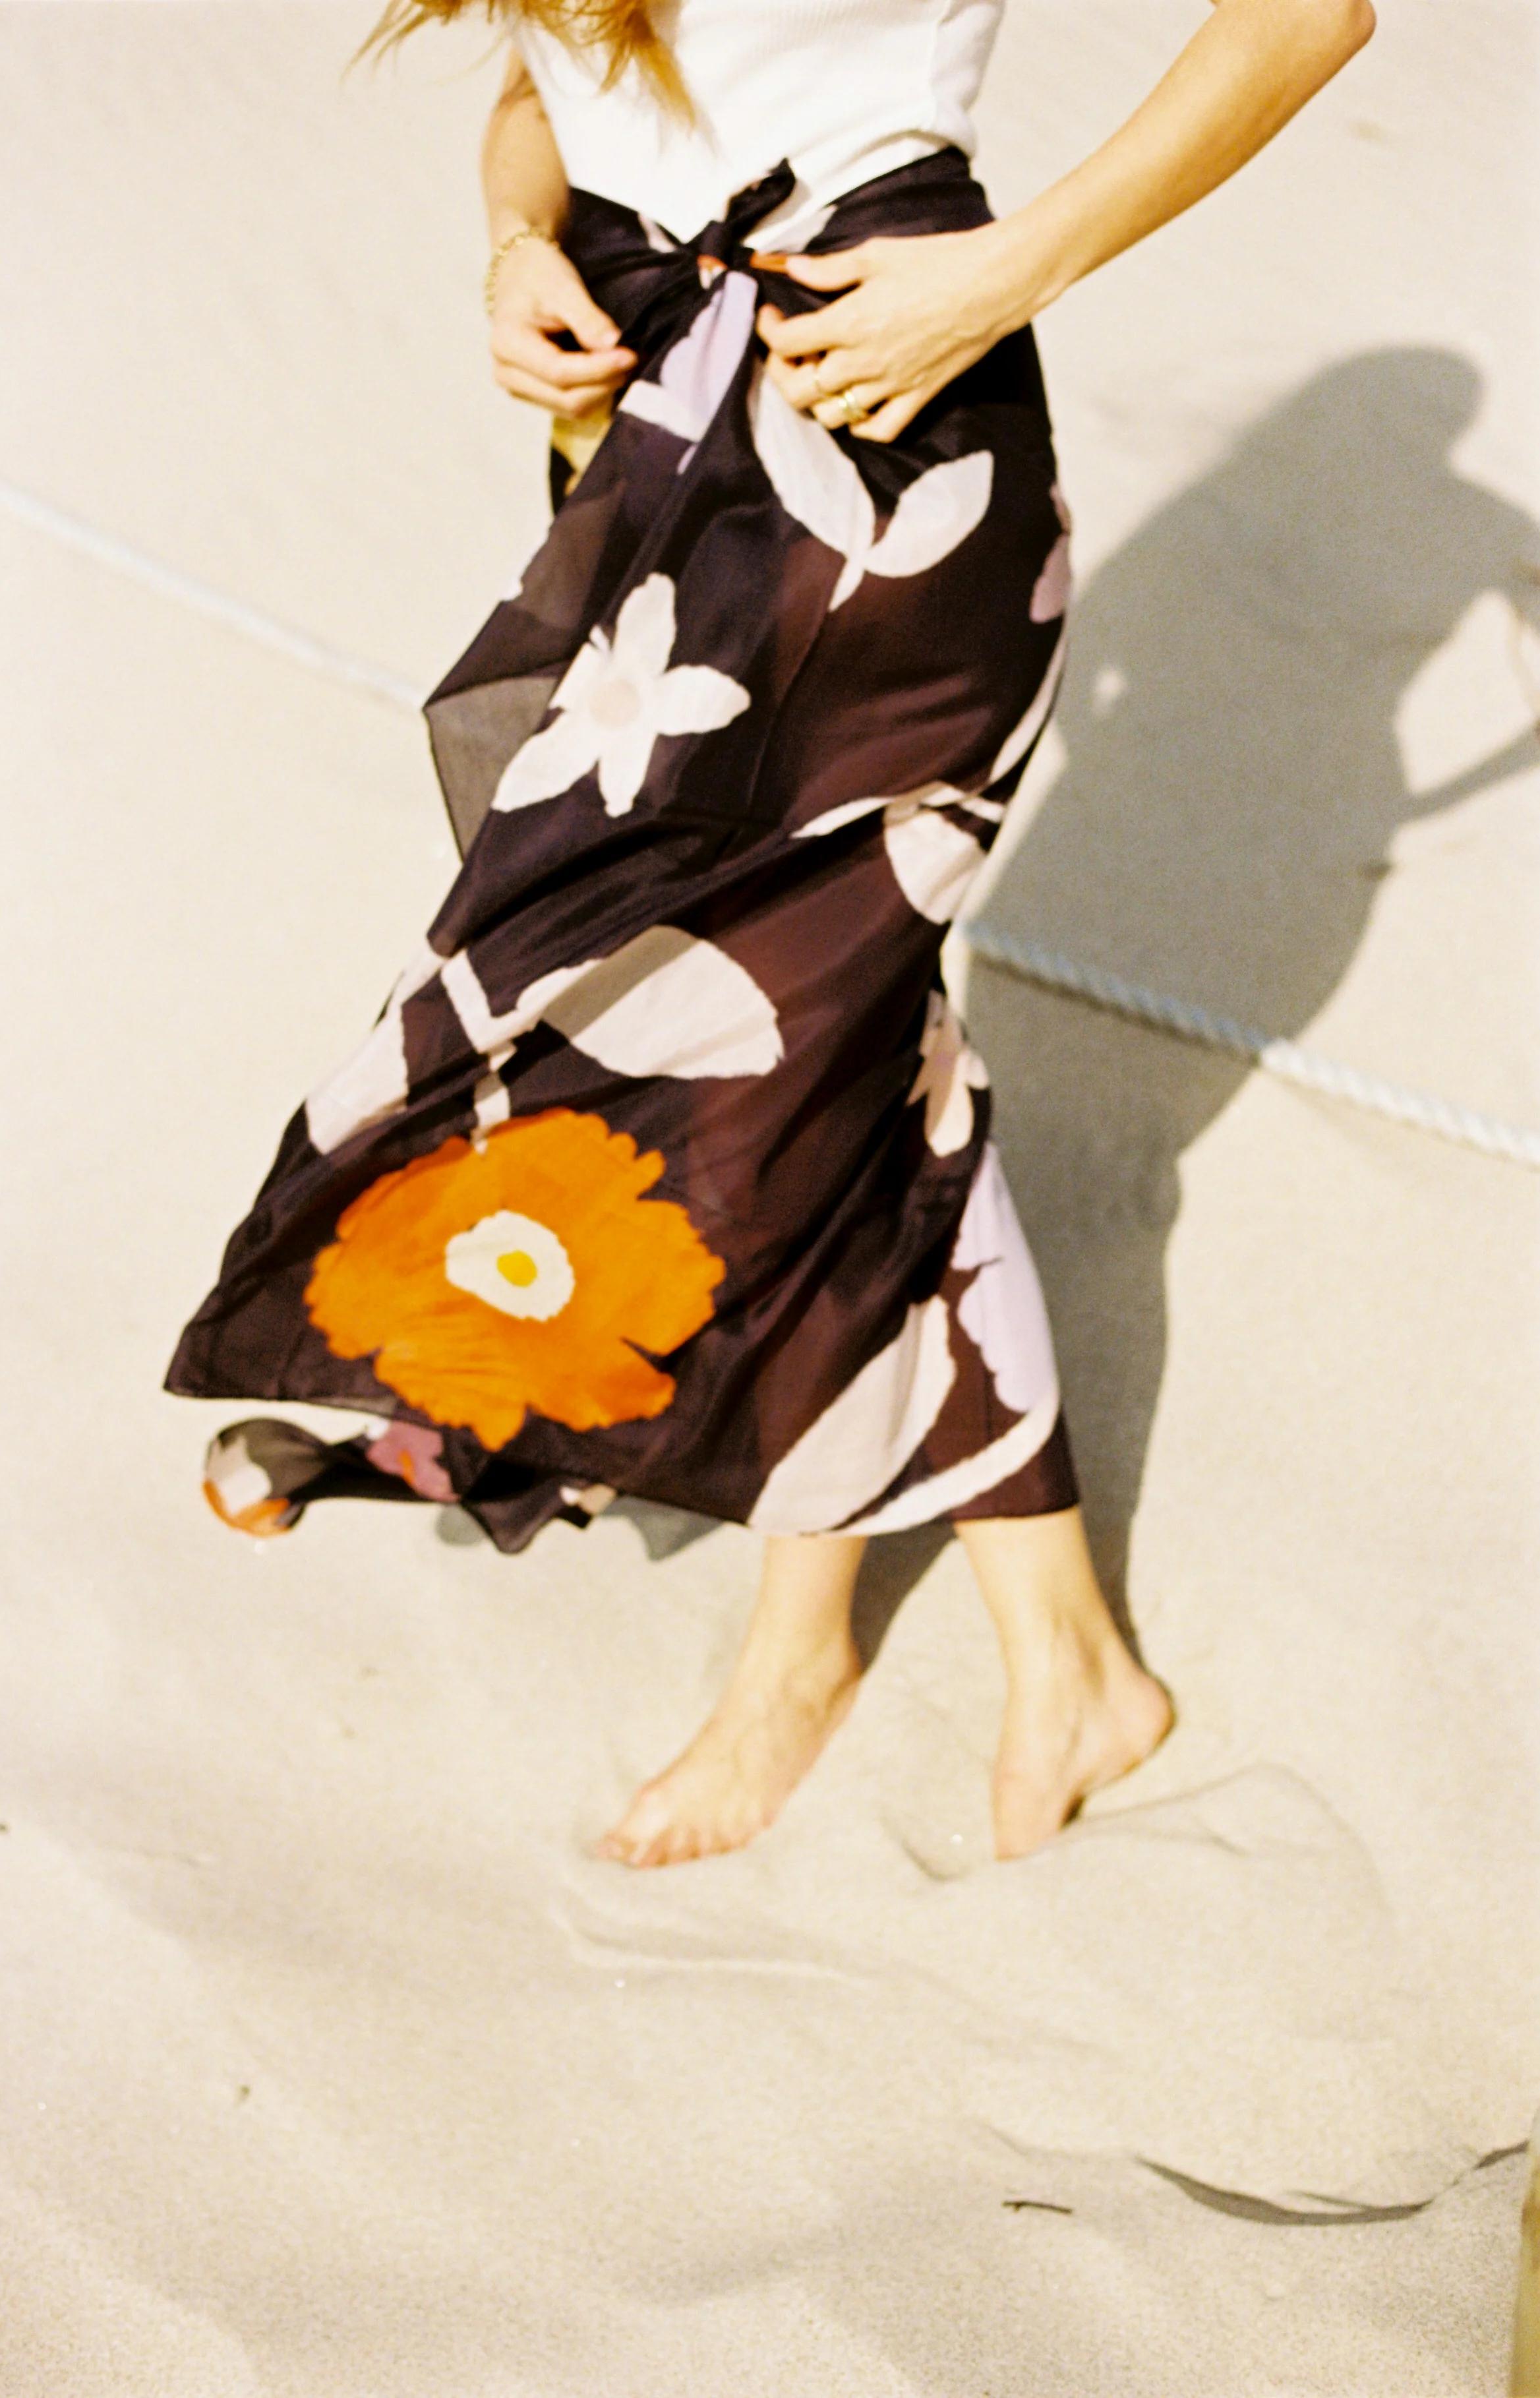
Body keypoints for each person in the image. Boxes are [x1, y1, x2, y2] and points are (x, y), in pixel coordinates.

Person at [166, 0, 1373, 1867]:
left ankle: (800, 1659)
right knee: (814, 1041)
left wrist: (1005, 268)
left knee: (746, 1050)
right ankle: (1038, 1648)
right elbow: (548, 82)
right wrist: (511, 239)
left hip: (877, 451)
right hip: (642, 422)